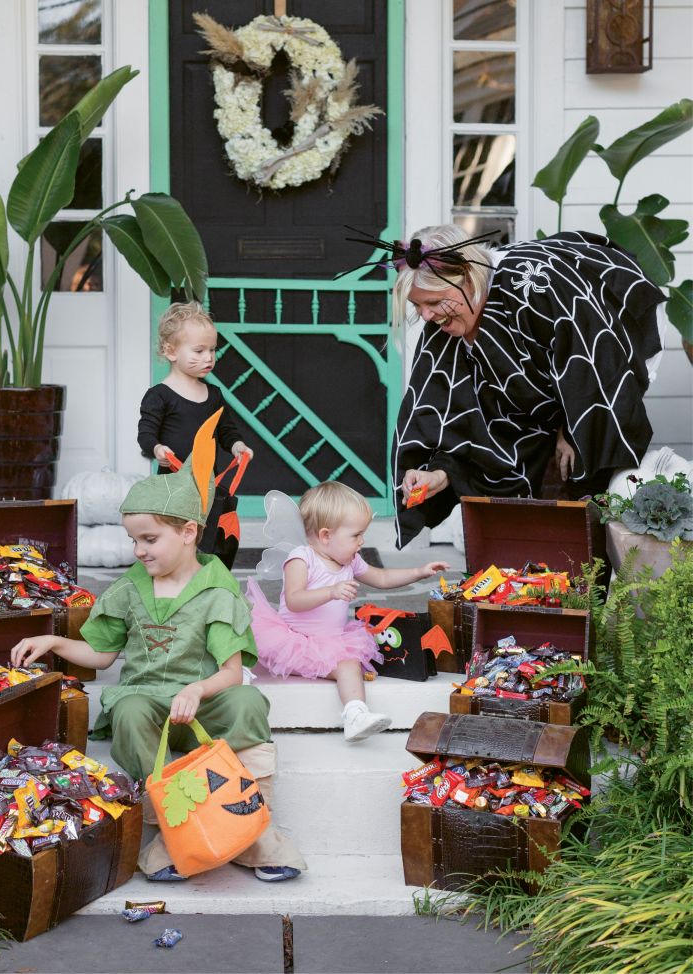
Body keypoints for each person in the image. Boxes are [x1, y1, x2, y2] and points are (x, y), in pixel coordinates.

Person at [11, 411, 305, 884]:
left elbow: (231, 672)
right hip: (150, 708)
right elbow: (101, 656)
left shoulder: (217, 588)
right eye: (133, 540)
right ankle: (173, 829)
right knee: (125, 709)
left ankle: (252, 827)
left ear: (188, 532)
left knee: (249, 699)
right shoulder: (130, 588)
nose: (139, 551)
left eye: (149, 539)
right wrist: (55, 641)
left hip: (204, 707)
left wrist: (198, 690)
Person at [387, 226, 665, 548]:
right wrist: (437, 473)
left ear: (467, 277)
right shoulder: (445, 327)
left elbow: (594, 361)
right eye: (417, 306)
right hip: (547, 385)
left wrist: (570, 429)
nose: (426, 315)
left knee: (586, 475)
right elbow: (462, 420)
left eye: (434, 302)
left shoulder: (534, 285)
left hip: (617, 349)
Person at [246, 481, 449, 742]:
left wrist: (419, 572)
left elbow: (383, 578)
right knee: (342, 663)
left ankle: (356, 714)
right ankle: (352, 713)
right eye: (355, 535)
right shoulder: (301, 558)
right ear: (326, 536)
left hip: (332, 641)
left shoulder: (350, 560)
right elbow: (295, 600)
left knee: (348, 663)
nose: (362, 542)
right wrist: (330, 591)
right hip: (297, 641)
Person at [137, 301, 252, 469]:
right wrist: (157, 449)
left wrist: (238, 446)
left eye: (212, 349)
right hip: (173, 485)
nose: (208, 357)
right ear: (171, 351)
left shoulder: (214, 395)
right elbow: (146, 434)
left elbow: (226, 431)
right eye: (199, 351)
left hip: (207, 485)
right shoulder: (159, 395)